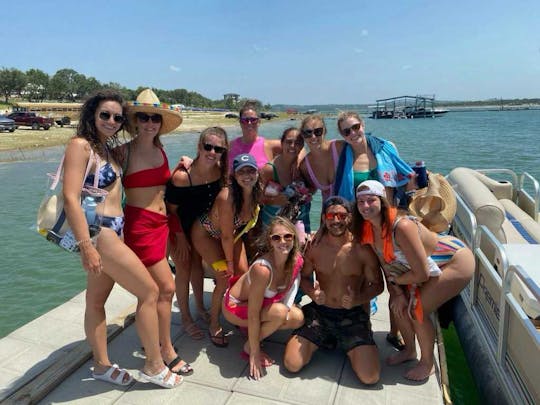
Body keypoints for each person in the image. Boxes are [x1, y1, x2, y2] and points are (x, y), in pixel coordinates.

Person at [62, 89, 181, 388]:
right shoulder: (80, 145)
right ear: (92, 115)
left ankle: (101, 365)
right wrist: (86, 246)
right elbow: (70, 199)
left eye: (116, 116)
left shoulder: (105, 150)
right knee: (150, 292)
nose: (112, 120)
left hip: (116, 229)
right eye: (105, 115)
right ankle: (154, 365)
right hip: (100, 233)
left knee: (96, 301)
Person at [354, 180, 474, 381]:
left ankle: (427, 363)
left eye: (371, 200)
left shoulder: (401, 226)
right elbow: (386, 265)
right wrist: (397, 292)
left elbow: (422, 274)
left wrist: (400, 281)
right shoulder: (367, 228)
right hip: (413, 268)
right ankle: (409, 350)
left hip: (451, 259)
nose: (365, 206)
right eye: (361, 202)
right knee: (397, 305)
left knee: (417, 309)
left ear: (382, 201)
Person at [120, 89, 192, 376]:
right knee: (166, 288)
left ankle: (151, 341)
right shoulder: (122, 152)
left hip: (162, 226)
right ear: (135, 121)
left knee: (148, 292)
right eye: (144, 117)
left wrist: (182, 166)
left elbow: (160, 186)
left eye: (155, 118)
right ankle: (165, 350)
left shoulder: (160, 151)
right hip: (139, 227)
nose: (150, 123)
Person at [283, 196, 383, 385]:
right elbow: (303, 277)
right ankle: (329, 339)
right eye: (331, 215)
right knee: (292, 364)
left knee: (370, 377)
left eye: (341, 215)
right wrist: (312, 293)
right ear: (323, 218)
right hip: (320, 313)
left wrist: (358, 299)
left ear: (350, 217)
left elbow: (378, 285)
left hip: (351, 315)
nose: (336, 220)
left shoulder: (362, 250)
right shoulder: (315, 247)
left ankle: (352, 343)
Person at [190, 153, 262, 347]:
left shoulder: (257, 191)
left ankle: (238, 314)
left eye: (251, 170)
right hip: (206, 235)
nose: (247, 176)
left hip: (229, 235)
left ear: (257, 172)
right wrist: (229, 263)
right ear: (234, 177)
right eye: (241, 172)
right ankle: (214, 323)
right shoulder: (227, 197)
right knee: (224, 278)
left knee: (244, 275)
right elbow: (226, 237)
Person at [165, 127, 229, 340]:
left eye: (218, 149)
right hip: (179, 228)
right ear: (199, 147)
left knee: (198, 269)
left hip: (203, 230)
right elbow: (170, 211)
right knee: (183, 269)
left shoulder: (220, 171)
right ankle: (185, 317)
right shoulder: (183, 176)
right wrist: (180, 238)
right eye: (207, 147)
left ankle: (200, 307)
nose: (212, 152)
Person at [222, 217, 305, 380]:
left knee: (297, 318)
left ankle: (257, 330)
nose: (283, 241)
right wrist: (255, 351)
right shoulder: (263, 269)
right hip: (236, 308)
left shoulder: (296, 260)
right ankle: (249, 346)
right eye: (276, 237)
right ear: (270, 241)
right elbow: (253, 314)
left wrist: (288, 306)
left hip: (259, 305)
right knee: (280, 313)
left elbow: (294, 282)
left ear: (294, 238)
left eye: (288, 236)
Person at [334, 111, 415, 206]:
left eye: (356, 127)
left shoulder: (387, 148)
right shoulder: (342, 158)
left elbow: (406, 176)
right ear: (342, 135)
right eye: (346, 131)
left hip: (390, 210)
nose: (353, 133)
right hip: (360, 215)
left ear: (362, 125)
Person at [260, 127, 312, 236]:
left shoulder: (302, 167)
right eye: (289, 142)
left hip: (300, 224)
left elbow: (314, 187)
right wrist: (275, 200)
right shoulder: (269, 169)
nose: (293, 146)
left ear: (302, 145)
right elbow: (256, 199)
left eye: (298, 142)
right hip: (274, 227)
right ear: (282, 143)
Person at [298, 115, 340, 202]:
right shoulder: (305, 166)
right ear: (302, 135)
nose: (313, 137)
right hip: (329, 212)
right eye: (308, 133)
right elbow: (311, 189)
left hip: (354, 210)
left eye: (318, 131)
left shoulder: (339, 147)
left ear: (324, 131)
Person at [228, 101, 281, 169]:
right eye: (245, 120)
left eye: (253, 120)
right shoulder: (229, 146)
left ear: (259, 122)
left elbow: (294, 147)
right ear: (240, 122)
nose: (249, 123)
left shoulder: (269, 145)